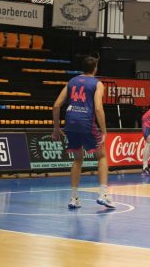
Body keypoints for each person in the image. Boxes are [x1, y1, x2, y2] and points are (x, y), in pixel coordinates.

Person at [52, 56, 115, 209]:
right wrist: (104, 131)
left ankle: (73, 198)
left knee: (78, 159)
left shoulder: (71, 81)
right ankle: (103, 194)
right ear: (95, 68)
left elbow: (56, 106)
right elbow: (98, 108)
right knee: (101, 156)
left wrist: (56, 128)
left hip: (70, 120)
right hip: (86, 121)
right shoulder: (97, 84)